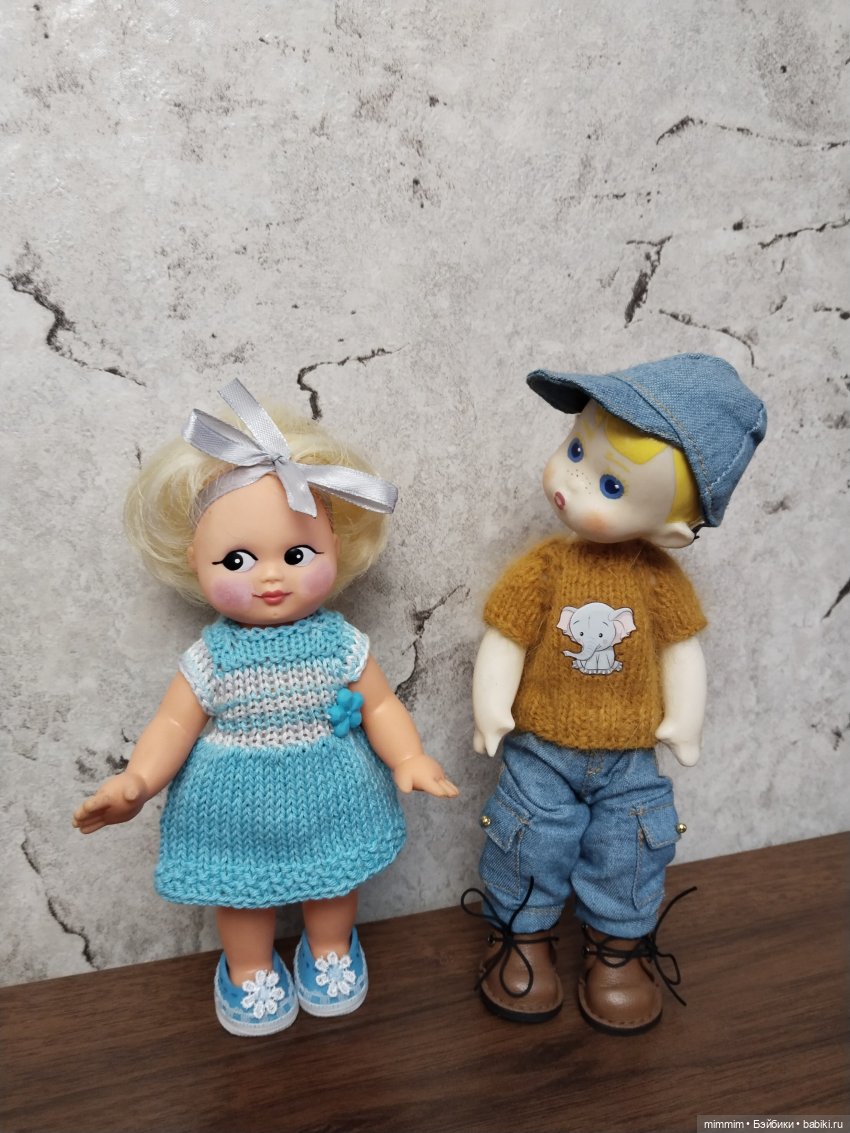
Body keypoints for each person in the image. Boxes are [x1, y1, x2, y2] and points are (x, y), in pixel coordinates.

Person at [74, 379, 458, 1036]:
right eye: (237, 559)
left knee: (333, 882)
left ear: (336, 548)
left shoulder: (341, 642)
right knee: (240, 895)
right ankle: (248, 967)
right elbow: (174, 723)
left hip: (333, 795)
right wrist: (138, 780)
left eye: (297, 554)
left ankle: (329, 949)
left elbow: (380, 703)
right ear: (194, 561)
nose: (271, 576)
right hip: (233, 809)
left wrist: (409, 756)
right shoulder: (213, 657)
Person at [467, 353, 765, 1035]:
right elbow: (507, 636)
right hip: (541, 749)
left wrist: (685, 721)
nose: (573, 483)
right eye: (576, 450)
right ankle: (523, 935)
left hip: (631, 757)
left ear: (670, 532)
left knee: (631, 845)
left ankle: (617, 950)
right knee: (530, 836)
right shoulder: (544, 569)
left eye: (609, 484)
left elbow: (681, 648)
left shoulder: (658, 579)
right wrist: (491, 706)